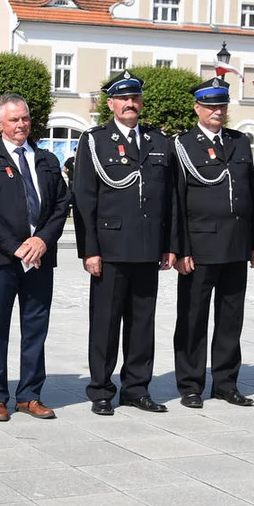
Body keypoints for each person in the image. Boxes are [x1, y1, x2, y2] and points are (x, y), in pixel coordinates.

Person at [72, 70, 176, 415]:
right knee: (105, 323)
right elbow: (84, 199)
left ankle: (136, 387)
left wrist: (170, 244)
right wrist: (90, 249)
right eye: (123, 99)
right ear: (111, 103)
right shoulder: (94, 140)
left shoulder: (158, 142)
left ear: (141, 103)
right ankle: (101, 390)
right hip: (111, 247)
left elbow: (170, 199)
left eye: (135, 99)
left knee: (143, 321)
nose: (130, 104)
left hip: (148, 247)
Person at [0, 93, 69, 421]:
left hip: (39, 259)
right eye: (14, 120)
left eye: (24, 118)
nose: (21, 125)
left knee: (35, 326)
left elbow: (60, 205)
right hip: (1, 260)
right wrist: (17, 246)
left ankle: (29, 395)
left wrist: (41, 240)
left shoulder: (47, 160)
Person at [171, 78, 254, 409]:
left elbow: (251, 195)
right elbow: (177, 201)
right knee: (193, 319)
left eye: (222, 105)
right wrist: (180, 249)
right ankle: (190, 384)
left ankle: (225, 382)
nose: (217, 111)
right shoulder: (182, 145)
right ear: (197, 108)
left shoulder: (240, 143)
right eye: (210, 106)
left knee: (230, 319)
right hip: (200, 247)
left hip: (236, 245)